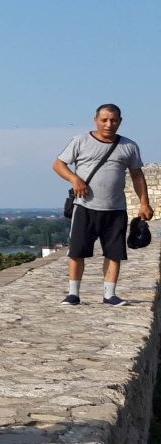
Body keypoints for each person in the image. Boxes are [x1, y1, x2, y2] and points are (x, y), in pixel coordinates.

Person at [53, 104, 152, 306]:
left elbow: (137, 175)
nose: (109, 124)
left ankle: (109, 295)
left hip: (116, 209)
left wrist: (144, 203)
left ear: (120, 122)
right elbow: (58, 164)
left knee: (114, 253)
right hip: (85, 206)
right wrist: (75, 179)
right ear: (95, 120)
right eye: (104, 120)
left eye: (113, 120)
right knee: (77, 251)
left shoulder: (129, 146)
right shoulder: (80, 141)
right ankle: (73, 294)